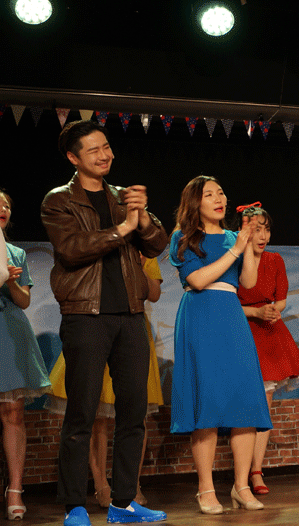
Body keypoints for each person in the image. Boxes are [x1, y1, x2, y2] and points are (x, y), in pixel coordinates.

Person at [40, 119, 168, 526]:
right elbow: (71, 249)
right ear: (73, 158)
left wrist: (141, 219)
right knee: (81, 413)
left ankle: (123, 502)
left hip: (130, 315)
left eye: (107, 146)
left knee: (133, 412)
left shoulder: (121, 196)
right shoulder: (58, 200)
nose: (105, 154)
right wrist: (122, 228)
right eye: (94, 149)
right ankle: (74, 505)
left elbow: (158, 244)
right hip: (85, 315)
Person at [169, 176, 272, 514]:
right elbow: (197, 279)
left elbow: (248, 282)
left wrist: (250, 245)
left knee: (244, 402)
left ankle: (241, 486)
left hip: (232, 317)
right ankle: (206, 489)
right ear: (194, 202)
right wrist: (236, 250)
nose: (218, 199)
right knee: (207, 404)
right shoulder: (184, 237)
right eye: (209, 194)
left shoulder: (232, 237)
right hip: (201, 317)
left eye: (221, 192)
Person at [45, 256, 165, 508]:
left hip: (131, 324)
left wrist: (140, 265)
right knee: (91, 414)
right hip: (91, 320)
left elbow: (153, 293)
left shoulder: (141, 248)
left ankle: (129, 491)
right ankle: (98, 486)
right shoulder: (91, 242)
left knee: (134, 414)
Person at [237, 204, 299, 495]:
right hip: (241, 332)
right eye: (256, 229)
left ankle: (256, 471)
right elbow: (225, 302)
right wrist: (254, 312)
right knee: (242, 408)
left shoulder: (275, 259)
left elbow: (281, 299)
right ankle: (240, 474)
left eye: (266, 229)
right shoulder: (233, 259)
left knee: (264, 406)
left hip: (268, 333)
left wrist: (272, 310)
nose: (263, 236)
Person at [1, 190, 50, 521]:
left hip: (9, 331)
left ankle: (15, 489)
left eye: (6, 204)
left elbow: (24, 301)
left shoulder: (15, 253)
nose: (2, 209)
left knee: (14, 411)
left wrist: (10, 283)